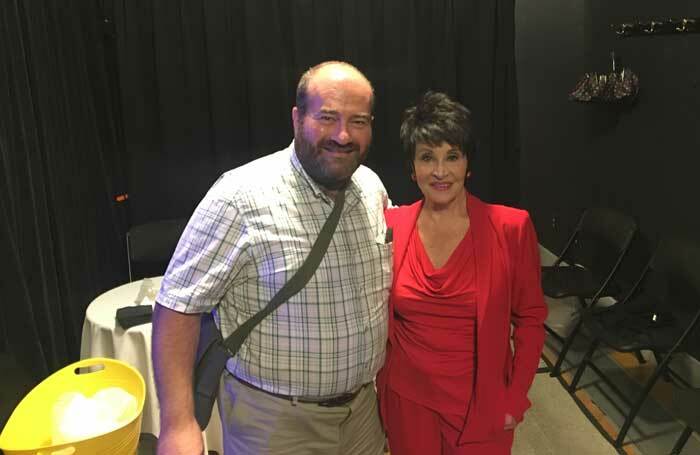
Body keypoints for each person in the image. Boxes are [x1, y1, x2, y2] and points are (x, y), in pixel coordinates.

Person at [152, 61, 391, 455]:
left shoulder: (371, 188)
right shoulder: (240, 196)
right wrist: (178, 424)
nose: (343, 135)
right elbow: (178, 306)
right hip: (276, 424)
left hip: (362, 415)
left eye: (358, 121)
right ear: (298, 118)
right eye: (327, 117)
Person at [375, 91, 547, 454]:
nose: (440, 171)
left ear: (468, 164)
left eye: (452, 156)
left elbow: (531, 319)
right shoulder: (393, 225)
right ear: (412, 167)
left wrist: (515, 398)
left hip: (480, 406)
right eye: (427, 158)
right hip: (408, 402)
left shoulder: (510, 228)